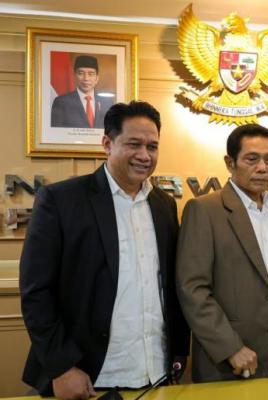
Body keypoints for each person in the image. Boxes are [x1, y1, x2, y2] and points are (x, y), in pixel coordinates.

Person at [20, 101, 190, 398]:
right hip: (88, 376)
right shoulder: (61, 200)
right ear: (107, 144)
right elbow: (36, 292)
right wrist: (62, 366)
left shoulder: (164, 205)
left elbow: (170, 285)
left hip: (155, 373)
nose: (144, 155)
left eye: (152, 146)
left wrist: (178, 349)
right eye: (134, 144)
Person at [176, 124, 268, 382]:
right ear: (230, 163)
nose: (262, 168)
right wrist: (230, 347)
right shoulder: (204, 210)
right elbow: (192, 289)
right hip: (229, 356)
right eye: (251, 159)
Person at [51, 55, 113, 129]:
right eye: (81, 73)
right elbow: (56, 132)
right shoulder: (61, 102)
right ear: (74, 76)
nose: (86, 78)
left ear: (97, 78)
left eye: (91, 74)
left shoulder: (107, 102)